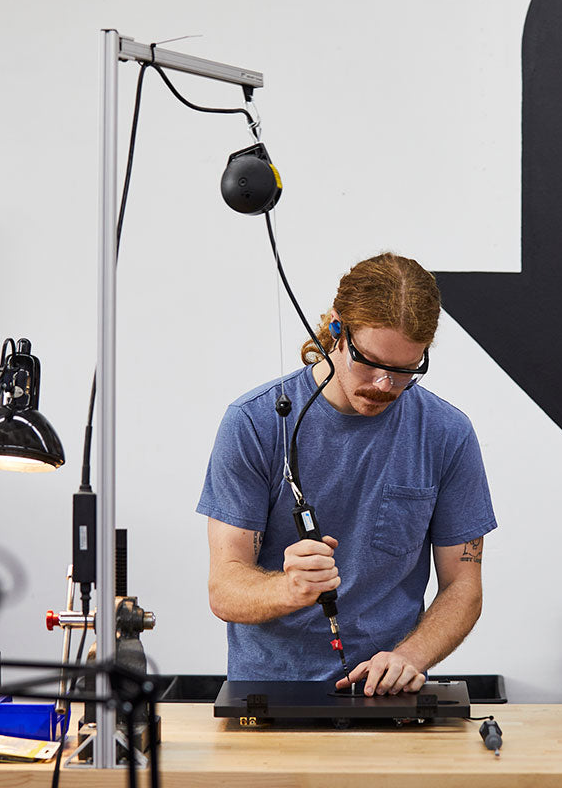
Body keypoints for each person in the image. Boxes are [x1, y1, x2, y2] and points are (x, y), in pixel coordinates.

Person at [198, 252, 497, 697]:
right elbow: (224, 588)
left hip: (389, 696)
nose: (383, 385)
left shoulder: (446, 434)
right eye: (370, 362)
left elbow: (463, 587)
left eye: (403, 371)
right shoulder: (255, 423)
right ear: (336, 330)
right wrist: (289, 588)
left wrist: (409, 658)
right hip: (270, 696)